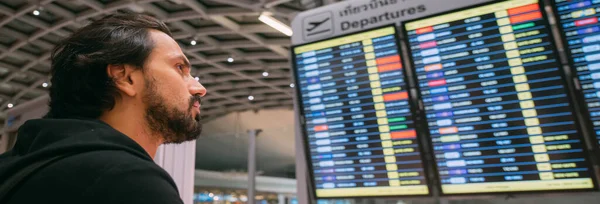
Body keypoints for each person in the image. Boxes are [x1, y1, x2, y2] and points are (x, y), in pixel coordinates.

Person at [0, 12, 206, 204]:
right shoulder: (130, 183)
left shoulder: (15, 167)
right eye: (180, 68)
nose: (199, 88)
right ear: (125, 77)